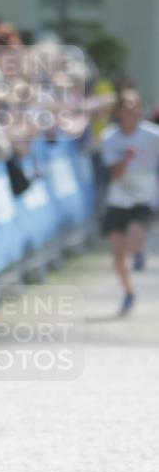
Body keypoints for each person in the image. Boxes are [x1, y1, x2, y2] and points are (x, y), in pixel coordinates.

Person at [100, 90, 159, 314]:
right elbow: (114, 174)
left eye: (134, 105)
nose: (129, 110)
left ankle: (139, 250)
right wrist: (126, 158)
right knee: (117, 256)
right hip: (117, 199)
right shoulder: (109, 137)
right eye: (125, 106)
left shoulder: (152, 135)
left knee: (133, 241)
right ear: (118, 111)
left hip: (143, 199)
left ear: (140, 109)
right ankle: (128, 293)